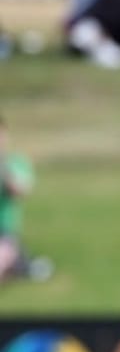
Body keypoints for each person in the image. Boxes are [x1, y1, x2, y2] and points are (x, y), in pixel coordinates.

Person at [0, 117, 51, 284]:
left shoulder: (16, 162)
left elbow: (20, 191)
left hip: (5, 233)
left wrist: (4, 169)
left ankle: (21, 263)